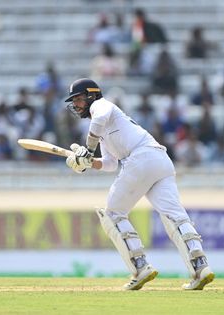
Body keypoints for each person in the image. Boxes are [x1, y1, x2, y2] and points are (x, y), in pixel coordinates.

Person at [63, 78, 214, 290]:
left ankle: (140, 267)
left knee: (113, 214)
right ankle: (200, 267)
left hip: (141, 158)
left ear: (91, 95)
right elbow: (109, 164)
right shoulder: (104, 128)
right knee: (174, 215)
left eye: (78, 99)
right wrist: (88, 163)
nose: (76, 105)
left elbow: (100, 120)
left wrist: (87, 148)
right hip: (159, 160)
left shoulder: (101, 105)